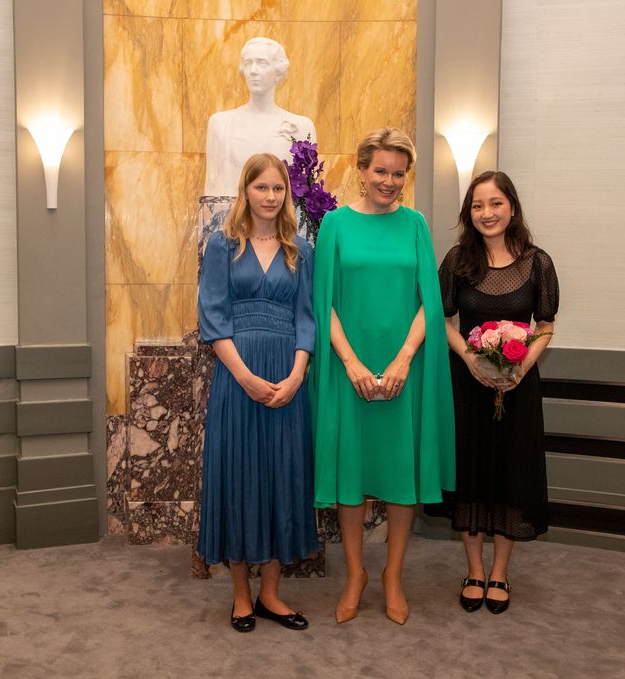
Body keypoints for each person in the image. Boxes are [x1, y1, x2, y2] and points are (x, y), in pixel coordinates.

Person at [311, 128, 456, 626]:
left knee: (398, 478)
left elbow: (428, 305)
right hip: (347, 370)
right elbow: (322, 303)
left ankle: (393, 575)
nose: (389, 181)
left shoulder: (415, 225)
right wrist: (351, 363)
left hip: (402, 373)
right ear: (362, 169)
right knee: (351, 477)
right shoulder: (333, 224)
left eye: (398, 173)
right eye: (381, 171)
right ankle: (356, 574)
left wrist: (402, 361)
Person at [196, 153, 318, 633]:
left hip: (287, 377)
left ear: (287, 194)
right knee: (241, 476)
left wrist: (296, 376)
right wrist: (245, 376)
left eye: (278, 189)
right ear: (245, 190)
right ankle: (241, 595)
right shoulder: (222, 245)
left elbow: (307, 318)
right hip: (236, 377)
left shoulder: (300, 249)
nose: (270, 197)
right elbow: (213, 317)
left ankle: (271, 592)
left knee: (281, 477)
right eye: (261, 187)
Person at [431, 170, 559, 614]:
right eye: (478, 205)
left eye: (495, 204)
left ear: (512, 207)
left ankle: (500, 572)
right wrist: (470, 358)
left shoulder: (537, 262)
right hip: (468, 386)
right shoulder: (457, 260)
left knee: (510, 475)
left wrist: (521, 366)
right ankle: (473, 569)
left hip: (517, 388)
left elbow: (545, 326)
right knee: (471, 474)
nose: (487, 213)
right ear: (470, 212)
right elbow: (443, 321)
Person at [204, 37, 316, 197]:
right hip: (233, 220)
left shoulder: (301, 127)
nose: (253, 70)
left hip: (283, 221)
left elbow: (307, 194)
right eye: (248, 63)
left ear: (278, 71)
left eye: (262, 63)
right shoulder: (221, 124)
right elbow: (213, 192)